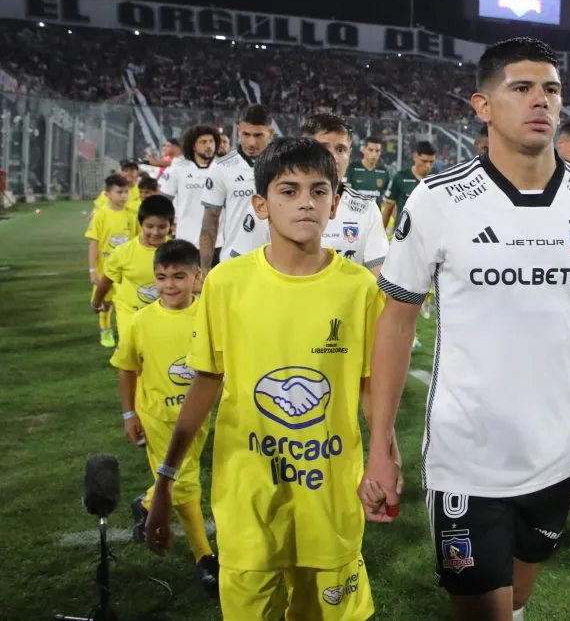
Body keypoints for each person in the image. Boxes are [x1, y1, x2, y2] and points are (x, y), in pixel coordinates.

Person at [360, 37, 570, 621]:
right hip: (466, 456)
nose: (540, 100)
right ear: (483, 105)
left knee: (518, 596)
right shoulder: (438, 201)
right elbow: (395, 324)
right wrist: (381, 445)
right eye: (520, 88)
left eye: (550, 88)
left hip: (554, 453)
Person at [144, 137, 388, 620]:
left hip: (331, 498)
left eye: (319, 192)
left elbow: (369, 388)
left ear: (335, 204)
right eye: (288, 190)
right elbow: (206, 383)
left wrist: (386, 455)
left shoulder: (358, 287)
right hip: (249, 501)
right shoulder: (225, 284)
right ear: (260, 204)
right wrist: (167, 478)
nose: (305, 203)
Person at [109, 239, 218, 595]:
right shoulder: (141, 322)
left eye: (178, 276)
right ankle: (205, 558)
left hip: (198, 417)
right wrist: (129, 413)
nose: (169, 285)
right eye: (161, 277)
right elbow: (125, 368)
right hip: (156, 415)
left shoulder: (209, 315)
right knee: (185, 481)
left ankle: (145, 502)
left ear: (197, 277)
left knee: (180, 476)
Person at [301, 112, 389, 275]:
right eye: (323, 148)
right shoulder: (275, 204)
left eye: (341, 149)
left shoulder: (367, 210)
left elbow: (382, 278)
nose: (334, 157)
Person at [198, 105, 274, 279]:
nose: (252, 143)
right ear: (238, 130)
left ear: (270, 133)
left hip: (277, 264)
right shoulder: (221, 167)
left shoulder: (285, 164)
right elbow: (210, 221)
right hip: (235, 263)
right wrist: (205, 269)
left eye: (258, 135)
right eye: (246, 135)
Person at [91, 195, 174, 328]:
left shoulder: (177, 252)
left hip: (165, 317)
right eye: (150, 226)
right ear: (141, 224)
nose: (155, 232)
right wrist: (96, 302)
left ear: (171, 225)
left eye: (162, 227)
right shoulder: (122, 253)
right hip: (130, 317)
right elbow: (107, 280)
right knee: (130, 348)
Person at [85, 173, 138, 347]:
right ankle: (105, 329)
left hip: (127, 269)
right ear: (107, 194)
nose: (124, 196)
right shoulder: (100, 215)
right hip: (105, 269)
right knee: (106, 303)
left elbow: (138, 240)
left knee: (128, 302)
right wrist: (92, 270)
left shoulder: (132, 215)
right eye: (119, 192)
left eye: (126, 192)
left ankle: (129, 334)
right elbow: (94, 244)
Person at [160, 124, 218, 247]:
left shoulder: (224, 170)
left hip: (218, 243)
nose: (209, 146)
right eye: (203, 142)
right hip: (187, 241)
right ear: (193, 146)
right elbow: (163, 203)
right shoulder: (177, 170)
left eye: (211, 141)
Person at [380, 141, 436, 233]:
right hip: (402, 236)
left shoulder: (437, 178)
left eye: (431, 162)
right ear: (415, 156)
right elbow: (388, 207)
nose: (428, 166)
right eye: (424, 161)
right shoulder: (401, 177)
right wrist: (379, 236)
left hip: (427, 236)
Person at [346, 135, 387, 204]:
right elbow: (345, 194)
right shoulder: (352, 168)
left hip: (375, 214)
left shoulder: (383, 171)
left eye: (377, 151)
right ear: (364, 150)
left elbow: (385, 198)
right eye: (370, 150)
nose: (374, 154)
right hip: (356, 213)